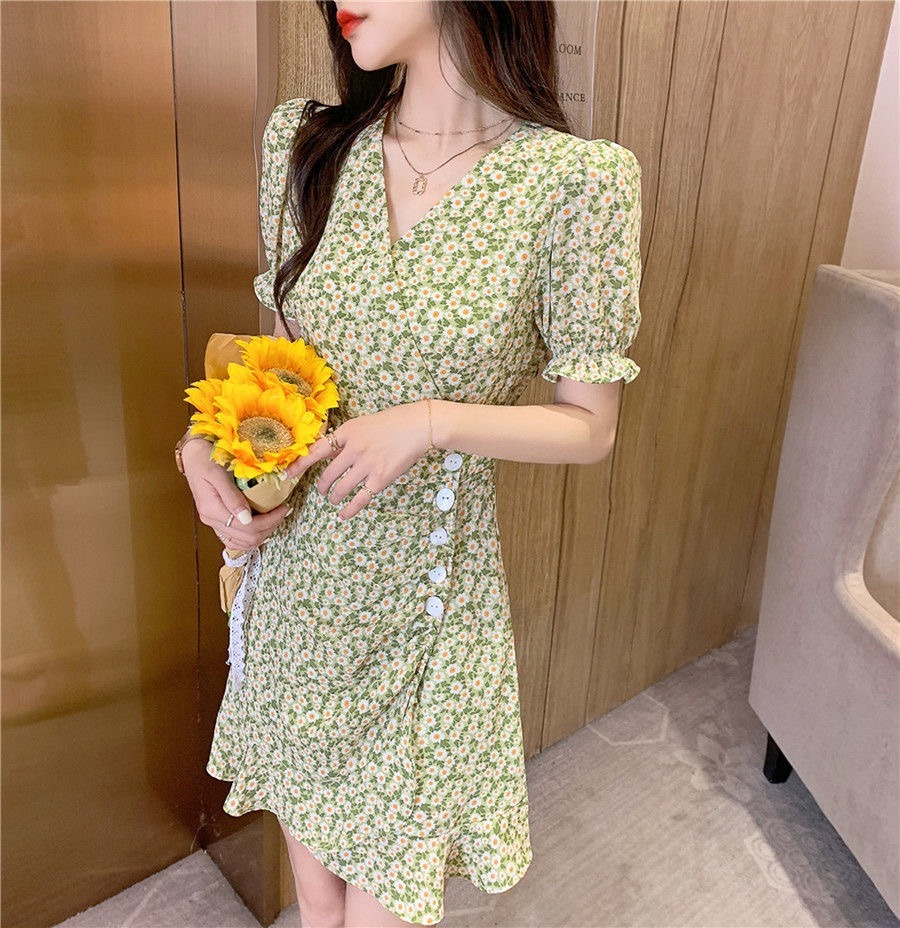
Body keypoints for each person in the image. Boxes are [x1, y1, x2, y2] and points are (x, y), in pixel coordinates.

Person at [176, 1, 643, 925]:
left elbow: (590, 426)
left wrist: (429, 423)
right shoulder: (307, 145)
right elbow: (281, 370)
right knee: (319, 907)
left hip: (428, 614)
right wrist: (200, 446)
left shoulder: (576, 184)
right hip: (301, 593)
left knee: (381, 905)